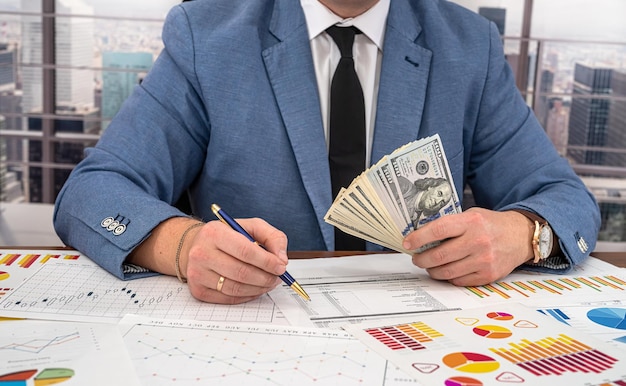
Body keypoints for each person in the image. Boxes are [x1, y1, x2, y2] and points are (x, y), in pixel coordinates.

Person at [53, 0, 601, 305]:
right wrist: (183, 245)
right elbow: (93, 189)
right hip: (257, 328)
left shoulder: (468, 44)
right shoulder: (207, 35)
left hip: (424, 339)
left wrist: (520, 233)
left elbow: (564, 199)